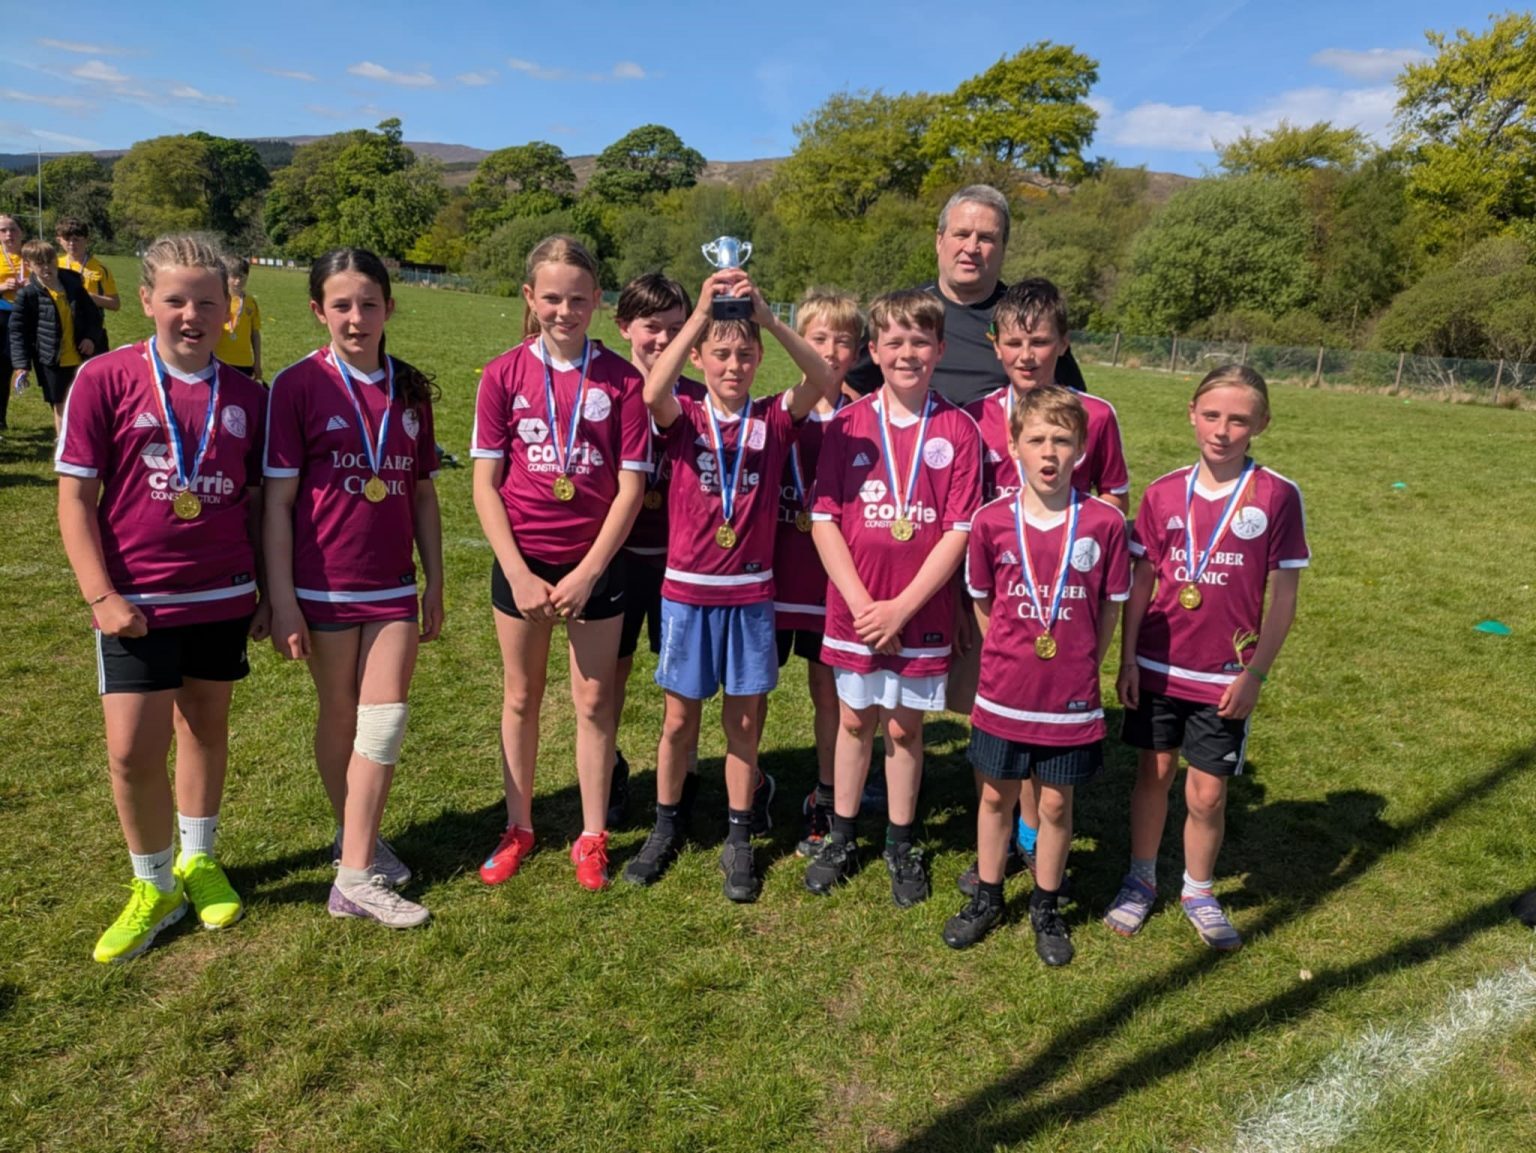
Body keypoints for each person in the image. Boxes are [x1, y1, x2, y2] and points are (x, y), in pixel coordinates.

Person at [54, 233, 268, 963]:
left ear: (228, 308)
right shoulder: (104, 378)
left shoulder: (246, 395)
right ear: (146, 300)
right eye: (175, 299)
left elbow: (259, 504)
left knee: (205, 729)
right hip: (135, 601)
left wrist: (266, 592)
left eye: (207, 301)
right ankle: (153, 885)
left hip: (224, 593)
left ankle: (199, 859)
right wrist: (101, 595)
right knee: (129, 752)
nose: (191, 314)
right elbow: (75, 500)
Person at [622, 269, 837, 902]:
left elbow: (822, 380)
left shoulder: (773, 420)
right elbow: (649, 393)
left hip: (749, 597)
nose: (734, 364)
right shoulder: (684, 415)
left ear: (759, 358)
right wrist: (699, 317)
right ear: (700, 357)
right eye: (721, 353)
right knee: (678, 722)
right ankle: (665, 827)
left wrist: (767, 318)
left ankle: (739, 837)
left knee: (745, 724)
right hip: (688, 594)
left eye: (745, 354)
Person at [264, 248, 445, 929]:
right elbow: (276, 505)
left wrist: (435, 579)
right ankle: (354, 841)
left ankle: (353, 872)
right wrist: (281, 597)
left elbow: (422, 493)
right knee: (341, 715)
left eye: (369, 303)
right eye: (341, 304)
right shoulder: (296, 386)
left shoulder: (410, 388)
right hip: (325, 585)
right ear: (318, 310)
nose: (356, 316)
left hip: (394, 584)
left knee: (386, 717)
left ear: (389, 308)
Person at [1106, 364, 1308, 951]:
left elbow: (1285, 596)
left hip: (1225, 677)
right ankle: (1142, 879)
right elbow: (1142, 582)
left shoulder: (1276, 495)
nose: (1222, 430)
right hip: (1158, 665)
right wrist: (1126, 660)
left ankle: (1198, 888)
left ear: (1261, 424)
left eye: (1238, 419)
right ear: (1192, 414)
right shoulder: (1165, 491)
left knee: (1208, 792)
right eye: (1213, 415)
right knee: (1155, 773)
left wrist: (1256, 673)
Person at [471, 236, 648, 892]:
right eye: (552, 297)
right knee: (521, 694)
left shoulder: (622, 380)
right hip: (523, 560)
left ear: (598, 301)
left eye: (578, 298)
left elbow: (630, 486)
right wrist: (516, 571)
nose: (565, 309)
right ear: (530, 298)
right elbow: (485, 484)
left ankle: (592, 832)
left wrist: (590, 571)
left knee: (595, 698)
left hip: (595, 565)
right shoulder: (502, 373)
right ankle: (518, 826)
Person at [803, 289, 982, 907]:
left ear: (940, 349)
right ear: (873, 351)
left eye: (920, 342)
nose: (908, 354)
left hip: (919, 613)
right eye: (895, 343)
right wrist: (861, 604)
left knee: (906, 730)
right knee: (853, 721)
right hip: (854, 609)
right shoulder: (846, 424)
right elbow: (823, 517)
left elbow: (959, 529)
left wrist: (902, 607)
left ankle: (901, 843)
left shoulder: (958, 429)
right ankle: (843, 834)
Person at [953, 277, 1129, 892]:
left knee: (1045, 724)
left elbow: (1112, 499)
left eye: (1041, 341)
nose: (1028, 355)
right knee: (998, 718)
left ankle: (1034, 834)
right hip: (1000, 599)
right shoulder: (977, 416)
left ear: (1063, 343)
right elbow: (967, 510)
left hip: (1068, 599)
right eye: (1016, 342)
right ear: (996, 345)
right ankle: (996, 848)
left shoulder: (1096, 414)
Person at [942, 386, 1129, 960]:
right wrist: (1009, 649)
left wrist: (1082, 666)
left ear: (1081, 448)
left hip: (1068, 695)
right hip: (1004, 691)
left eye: (1062, 441)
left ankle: (1046, 906)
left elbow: (1109, 606)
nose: (1049, 453)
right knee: (996, 797)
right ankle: (989, 897)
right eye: (1037, 440)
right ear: (1014, 445)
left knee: (1054, 805)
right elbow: (984, 602)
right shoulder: (990, 521)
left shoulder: (1104, 524)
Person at [766, 288, 864, 858]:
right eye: (817, 338)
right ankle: (750, 784)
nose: (828, 350)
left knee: (828, 693)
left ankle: (826, 795)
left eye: (841, 341)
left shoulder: (868, 418)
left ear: (858, 350)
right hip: (777, 578)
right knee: (754, 691)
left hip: (833, 584)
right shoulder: (779, 410)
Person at [843, 185, 1085, 406]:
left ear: (1003, 247)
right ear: (939, 240)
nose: (971, 248)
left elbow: (1073, 403)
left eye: (986, 238)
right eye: (961, 234)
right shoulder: (902, 313)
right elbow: (851, 389)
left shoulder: (1026, 316)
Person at [609, 272, 704, 827]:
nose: (664, 340)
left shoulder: (700, 397)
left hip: (682, 563)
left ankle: (683, 773)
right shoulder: (608, 393)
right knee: (608, 680)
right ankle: (613, 768)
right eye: (651, 327)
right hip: (619, 560)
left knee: (681, 687)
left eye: (677, 328)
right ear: (625, 328)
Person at [8, 238, 103, 436]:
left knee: (85, 401)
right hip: (51, 360)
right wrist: (21, 365)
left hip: (80, 357)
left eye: (50, 261)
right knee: (59, 404)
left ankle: (86, 440)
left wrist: (91, 338)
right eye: (39, 263)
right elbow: (18, 332)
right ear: (28, 265)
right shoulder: (27, 295)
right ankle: (63, 445)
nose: (46, 267)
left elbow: (94, 316)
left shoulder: (74, 285)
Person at [56, 216, 120, 352]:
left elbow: (115, 304)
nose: (72, 243)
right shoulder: (55, 265)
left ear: (87, 240)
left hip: (92, 331)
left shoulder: (100, 268)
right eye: (67, 239)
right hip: (63, 330)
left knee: (95, 372)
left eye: (76, 239)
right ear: (59, 240)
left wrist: (89, 297)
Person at [214, 256, 263, 382]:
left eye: (241, 277)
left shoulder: (251, 302)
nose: (237, 281)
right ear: (225, 277)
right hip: (219, 359)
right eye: (233, 277)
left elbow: (255, 334)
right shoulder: (217, 300)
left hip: (244, 362)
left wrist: (257, 362)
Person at [0, 213, 26, 432]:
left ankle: (1, 417)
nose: (9, 234)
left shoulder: (31, 256)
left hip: (23, 318)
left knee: (7, 369)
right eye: (3, 230)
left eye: (13, 229)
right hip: (1, 315)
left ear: (21, 232)